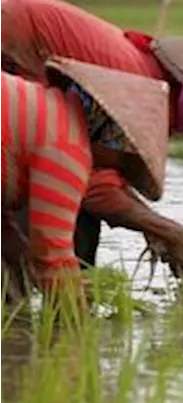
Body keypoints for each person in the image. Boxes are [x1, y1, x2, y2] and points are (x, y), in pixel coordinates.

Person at [0, 0, 183, 276]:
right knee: (60, 211)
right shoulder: (117, 101)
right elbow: (93, 183)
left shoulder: (95, 105)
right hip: (16, 37)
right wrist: (161, 227)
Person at [1, 58, 171, 309]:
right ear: (116, 141)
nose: (116, 169)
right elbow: (52, 255)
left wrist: (23, 255)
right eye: (125, 161)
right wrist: (77, 329)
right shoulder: (68, 144)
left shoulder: (50, 108)